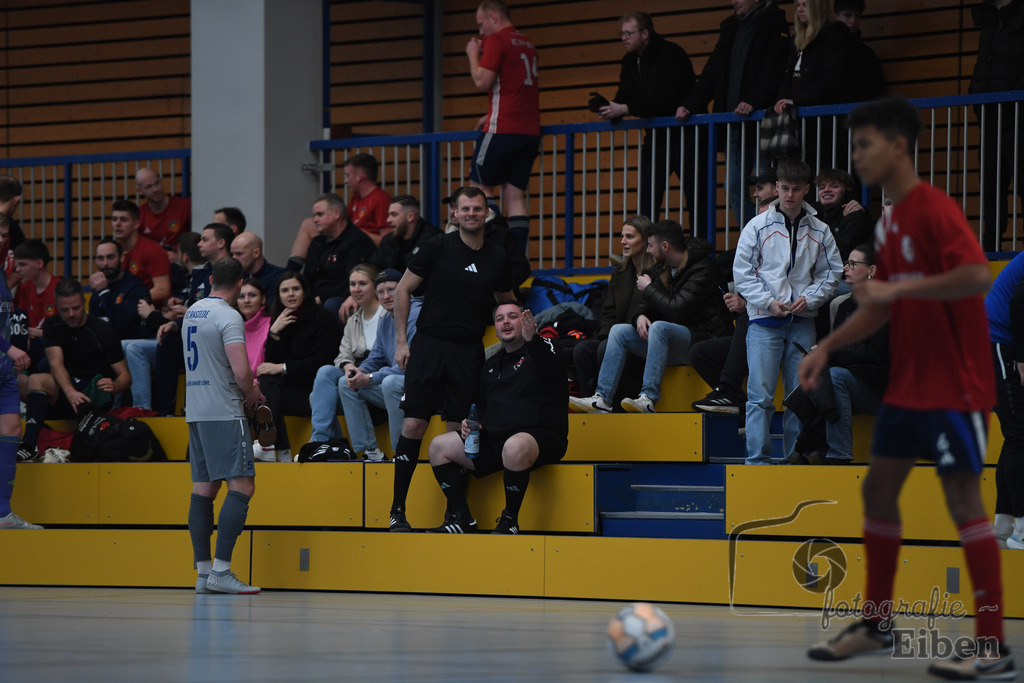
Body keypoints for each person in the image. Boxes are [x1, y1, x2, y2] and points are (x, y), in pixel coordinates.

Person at [799, 97, 1012, 678]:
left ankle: (991, 643)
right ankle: (877, 622)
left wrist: (896, 291)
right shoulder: (889, 223)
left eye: (864, 144)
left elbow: (975, 275)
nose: (856, 156)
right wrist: (825, 347)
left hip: (956, 385)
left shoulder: (935, 209)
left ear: (897, 146)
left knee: (963, 502)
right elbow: (879, 306)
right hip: (909, 386)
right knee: (877, 491)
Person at [388, 186, 514, 532]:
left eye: (478, 208)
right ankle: (397, 511)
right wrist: (401, 342)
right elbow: (402, 289)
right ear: (454, 214)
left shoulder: (498, 256)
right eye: (465, 209)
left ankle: (455, 515)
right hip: (429, 346)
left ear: (486, 213)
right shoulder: (437, 246)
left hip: (468, 351)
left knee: (456, 433)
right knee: (413, 425)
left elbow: (507, 300)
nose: (472, 214)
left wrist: (519, 328)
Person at [426, 301, 567, 534]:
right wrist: (470, 423)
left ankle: (509, 520)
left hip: (540, 436)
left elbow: (550, 368)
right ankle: (462, 518)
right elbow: (482, 406)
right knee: (439, 446)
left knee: (514, 446)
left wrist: (532, 339)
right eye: (500, 319)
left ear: (525, 321)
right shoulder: (491, 364)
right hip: (496, 438)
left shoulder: (545, 347)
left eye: (512, 316)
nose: (505, 322)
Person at [734, 158, 841, 465]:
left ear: (807, 189)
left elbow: (831, 273)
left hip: (802, 320)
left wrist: (810, 298)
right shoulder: (756, 226)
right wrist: (768, 302)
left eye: (796, 189)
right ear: (777, 188)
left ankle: (794, 459)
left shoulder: (820, 229)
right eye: (784, 188)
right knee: (760, 396)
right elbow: (742, 273)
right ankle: (757, 461)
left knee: (799, 396)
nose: (789, 195)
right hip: (763, 320)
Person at [570, 220, 732, 414]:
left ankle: (648, 397)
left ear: (665, 246)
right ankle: (602, 399)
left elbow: (677, 309)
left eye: (651, 245)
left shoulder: (703, 268)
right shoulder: (662, 268)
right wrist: (641, 314)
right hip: (675, 342)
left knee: (659, 327)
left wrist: (648, 289)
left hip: (705, 342)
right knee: (619, 331)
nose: (648, 250)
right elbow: (649, 303)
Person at [184, 256, 264, 595]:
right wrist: (252, 393)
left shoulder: (192, 311)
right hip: (223, 409)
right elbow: (242, 371)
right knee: (242, 486)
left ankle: (204, 574)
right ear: (240, 283)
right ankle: (221, 572)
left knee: (204, 489)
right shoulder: (229, 316)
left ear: (211, 279)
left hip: (196, 410)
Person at [678, 0, 791, 229]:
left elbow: (774, 70)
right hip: (734, 123)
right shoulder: (730, 27)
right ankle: (754, 236)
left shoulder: (774, 23)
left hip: (763, 122)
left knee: (766, 186)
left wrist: (755, 101)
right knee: (733, 187)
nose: (734, 1)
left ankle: (771, 236)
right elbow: (712, 72)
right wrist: (691, 104)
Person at [597, 11, 704, 229]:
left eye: (628, 33)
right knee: (647, 198)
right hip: (656, 138)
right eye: (622, 33)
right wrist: (611, 109)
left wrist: (625, 108)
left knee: (696, 198)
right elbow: (625, 94)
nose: (623, 38)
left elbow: (665, 99)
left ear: (645, 33)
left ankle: (700, 247)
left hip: (687, 136)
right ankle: (645, 247)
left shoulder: (670, 54)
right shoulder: (629, 61)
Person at [789, 243, 888, 465]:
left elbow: (874, 355)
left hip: (882, 387)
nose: (845, 268)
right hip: (853, 382)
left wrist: (829, 353)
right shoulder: (844, 306)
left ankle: (838, 453)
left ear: (872, 270)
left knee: (834, 377)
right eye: (846, 263)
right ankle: (810, 447)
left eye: (852, 264)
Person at [690, 174, 778, 416]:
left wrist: (746, 304)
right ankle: (738, 405)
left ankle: (728, 391)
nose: (760, 225)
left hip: (779, 325)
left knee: (747, 318)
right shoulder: (751, 252)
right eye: (757, 220)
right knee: (700, 353)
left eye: (766, 220)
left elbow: (783, 295)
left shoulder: (787, 251)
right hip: (752, 327)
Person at [18, 279, 131, 462]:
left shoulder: (102, 330)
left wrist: (115, 385)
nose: (71, 314)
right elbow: (55, 363)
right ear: (57, 305)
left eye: (76, 308)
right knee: (14, 380)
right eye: (65, 310)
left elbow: (125, 376)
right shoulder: (52, 325)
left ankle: (28, 446)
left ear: (84, 303)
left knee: (37, 380)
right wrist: (70, 391)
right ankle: (22, 434)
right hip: (66, 391)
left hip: (91, 395)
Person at [466, 0, 540, 252]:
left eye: (481, 24)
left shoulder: (497, 40)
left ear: (494, 17)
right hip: (529, 131)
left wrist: (473, 54)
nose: (481, 31)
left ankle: (499, 248)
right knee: (514, 196)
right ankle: (517, 256)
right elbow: (515, 88)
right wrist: (490, 112)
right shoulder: (527, 43)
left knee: (478, 187)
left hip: (503, 128)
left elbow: (482, 81)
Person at [257, 272, 342, 461]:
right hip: (290, 391)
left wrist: (283, 367)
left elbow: (322, 364)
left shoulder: (323, 318)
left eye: (296, 289)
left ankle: (272, 447)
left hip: (317, 392)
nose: (291, 294)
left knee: (271, 394)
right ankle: (276, 450)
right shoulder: (280, 319)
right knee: (266, 384)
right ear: (278, 295)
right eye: (285, 290)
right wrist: (274, 334)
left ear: (304, 291)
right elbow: (270, 364)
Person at [337, 269, 420, 461]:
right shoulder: (386, 320)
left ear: (404, 289)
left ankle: (401, 454)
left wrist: (371, 378)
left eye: (392, 290)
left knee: (390, 382)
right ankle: (371, 451)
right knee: (346, 383)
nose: (386, 296)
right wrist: (360, 372)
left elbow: (409, 366)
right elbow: (377, 357)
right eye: (381, 292)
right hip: (397, 387)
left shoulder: (416, 314)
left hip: (419, 386)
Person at [572, 216, 653, 402]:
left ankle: (613, 405)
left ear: (645, 241)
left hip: (642, 340)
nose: (623, 241)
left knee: (604, 348)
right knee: (582, 350)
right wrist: (608, 338)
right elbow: (609, 311)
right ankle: (590, 403)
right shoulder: (619, 273)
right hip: (615, 338)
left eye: (629, 237)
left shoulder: (657, 272)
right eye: (622, 236)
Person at [308, 264, 385, 449]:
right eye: (352, 284)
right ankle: (321, 442)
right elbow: (343, 355)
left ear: (375, 286)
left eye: (362, 284)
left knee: (317, 396)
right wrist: (348, 366)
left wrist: (362, 372)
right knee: (325, 373)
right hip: (356, 377)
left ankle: (332, 446)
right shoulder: (353, 320)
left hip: (379, 380)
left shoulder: (387, 314)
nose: (356, 289)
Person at [969, 0, 1024, 252]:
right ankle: (990, 250)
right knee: (991, 189)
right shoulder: (989, 22)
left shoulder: (1016, 19)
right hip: (991, 119)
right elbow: (983, 67)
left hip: (1018, 118)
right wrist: (977, 100)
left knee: (1021, 184)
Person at [774, 0, 855, 169]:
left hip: (825, 123)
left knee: (824, 169)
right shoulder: (796, 40)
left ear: (817, 8)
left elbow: (832, 79)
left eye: (805, 5)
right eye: (797, 5)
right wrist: (781, 100)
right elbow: (786, 76)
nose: (800, 10)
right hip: (800, 122)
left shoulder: (834, 35)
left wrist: (798, 101)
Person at [0, 205, 39, 529]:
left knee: (13, 430)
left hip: (3, 370)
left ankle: (3, 513)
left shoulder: (2, 273)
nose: (2, 240)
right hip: (4, 356)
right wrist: (9, 347)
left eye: (4, 236)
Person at [985, 250, 1024, 548]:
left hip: (1000, 342)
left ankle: (1002, 528)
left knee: (1015, 436)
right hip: (997, 342)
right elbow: (1019, 302)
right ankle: (1021, 531)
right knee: (1019, 436)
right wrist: (1022, 361)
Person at [304, 193, 376, 318]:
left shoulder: (357, 241)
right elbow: (307, 277)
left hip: (340, 297)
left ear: (337, 213)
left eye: (320, 214)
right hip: (315, 298)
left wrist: (320, 298)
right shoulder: (317, 242)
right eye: (314, 215)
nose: (315, 220)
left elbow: (352, 280)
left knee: (331, 304)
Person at [88, 237, 151, 341]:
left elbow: (120, 325)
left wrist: (104, 292)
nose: (105, 263)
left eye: (110, 257)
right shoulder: (98, 289)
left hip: (128, 344)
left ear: (121, 257)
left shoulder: (136, 287)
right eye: (100, 258)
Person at [112, 199, 171, 304]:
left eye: (123, 219)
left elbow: (163, 289)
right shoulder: (114, 250)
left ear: (136, 224)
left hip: (148, 309)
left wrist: (130, 300)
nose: (117, 224)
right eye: (114, 219)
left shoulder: (152, 250)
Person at [813, 167, 873, 263]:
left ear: (846, 190)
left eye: (834, 186)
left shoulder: (854, 215)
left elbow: (841, 252)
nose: (826, 190)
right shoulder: (812, 212)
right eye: (822, 187)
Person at [12, 240, 59, 359]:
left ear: (39, 263)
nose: (17, 269)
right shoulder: (23, 288)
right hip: (28, 347)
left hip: (53, 348)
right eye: (17, 265)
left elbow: (66, 332)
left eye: (23, 265)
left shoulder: (60, 289)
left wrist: (33, 332)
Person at [833, 0, 886, 103]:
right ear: (836, 16)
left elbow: (878, 92)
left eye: (858, 16)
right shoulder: (825, 49)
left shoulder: (867, 54)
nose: (853, 21)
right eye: (847, 15)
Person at [135, 167, 191, 252]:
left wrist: (180, 256)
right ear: (139, 191)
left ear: (161, 181)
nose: (156, 189)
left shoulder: (185, 206)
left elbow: (197, 239)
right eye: (149, 186)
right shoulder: (139, 215)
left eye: (157, 183)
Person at [344, 154, 392, 245]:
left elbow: (388, 242)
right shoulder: (356, 197)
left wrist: (357, 233)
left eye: (348, 175)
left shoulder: (381, 199)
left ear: (359, 176)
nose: (345, 181)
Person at [230, 232, 285, 304]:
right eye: (232, 254)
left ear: (256, 253)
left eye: (239, 254)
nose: (234, 258)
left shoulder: (278, 277)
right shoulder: (237, 278)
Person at [237, 278, 271, 381]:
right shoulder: (236, 328)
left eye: (252, 295)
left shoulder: (273, 324)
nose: (246, 300)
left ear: (263, 299)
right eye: (241, 296)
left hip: (265, 385)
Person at [0, 176, 26, 289]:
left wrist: (3, 289)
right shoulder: (11, 226)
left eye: (4, 235)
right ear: (16, 200)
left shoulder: (12, 227)